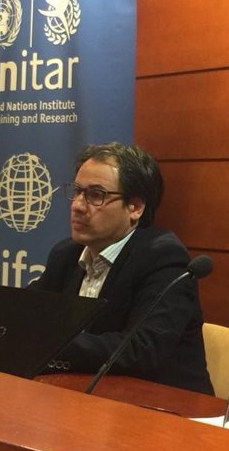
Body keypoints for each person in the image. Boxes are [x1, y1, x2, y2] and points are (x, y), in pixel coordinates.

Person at [30, 142, 214, 395]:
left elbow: (141, 349)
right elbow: (28, 312)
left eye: (96, 195)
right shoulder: (65, 255)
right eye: (77, 191)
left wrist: (46, 341)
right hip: (85, 397)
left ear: (135, 207)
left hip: (163, 405)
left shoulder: (164, 259)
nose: (78, 205)